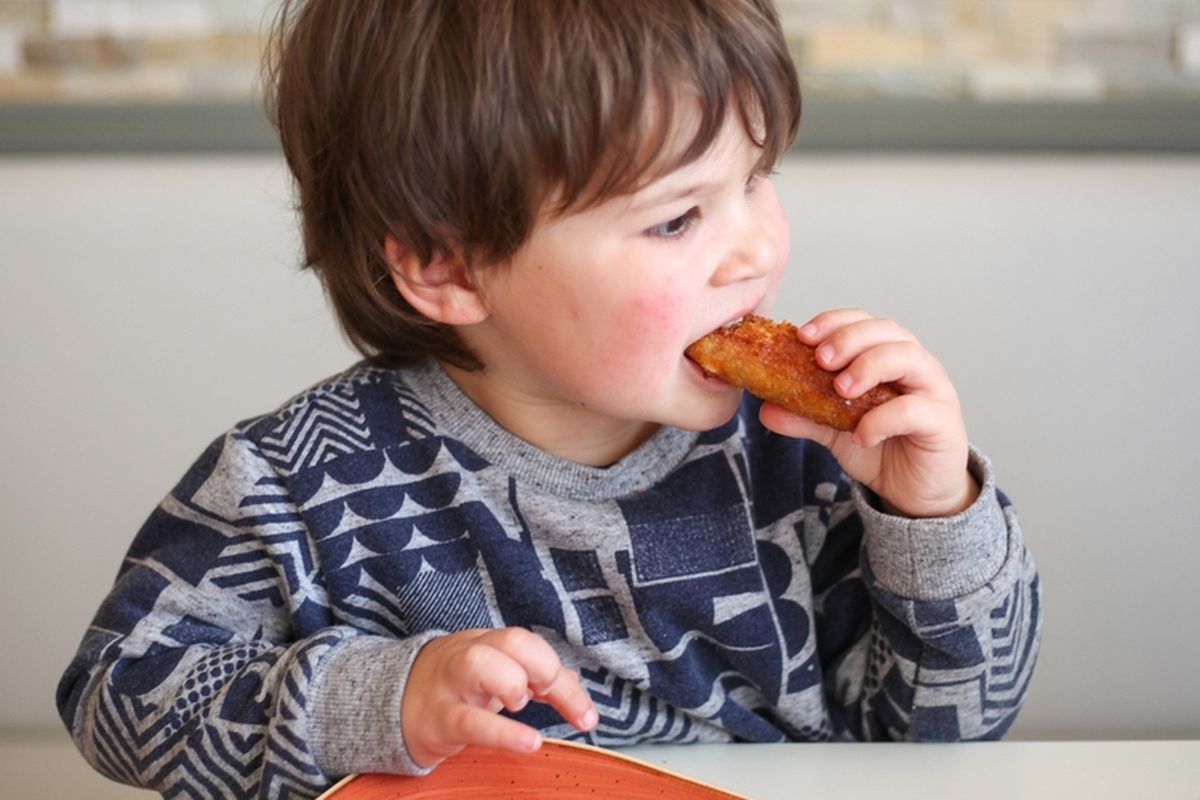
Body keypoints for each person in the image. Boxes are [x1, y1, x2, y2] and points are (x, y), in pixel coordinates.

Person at [56, 1, 1042, 797]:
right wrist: (384, 703)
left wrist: (932, 511)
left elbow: (948, 731)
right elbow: (116, 695)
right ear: (447, 265)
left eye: (758, 177)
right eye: (678, 218)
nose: (756, 249)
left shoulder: (804, 456)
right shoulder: (304, 481)